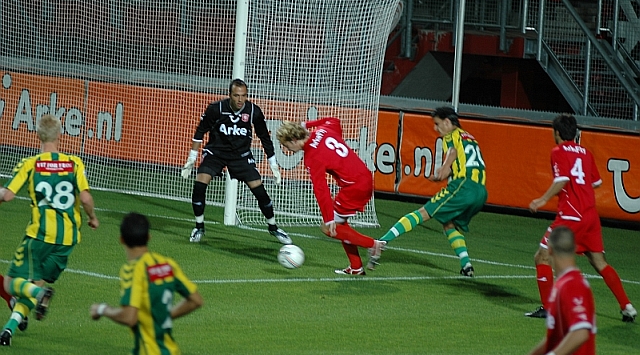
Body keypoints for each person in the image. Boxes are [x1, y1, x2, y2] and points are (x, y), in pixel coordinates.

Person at [525, 114, 636, 322]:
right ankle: (626, 306)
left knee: (542, 257)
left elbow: (563, 179)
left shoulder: (558, 151)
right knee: (599, 261)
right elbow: (595, 182)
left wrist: (542, 199)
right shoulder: (586, 152)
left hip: (570, 214)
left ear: (557, 133)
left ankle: (550, 309)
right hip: (590, 215)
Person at [0, 114, 99, 347]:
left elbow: (8, 195)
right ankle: (8, 330)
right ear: (60, 136)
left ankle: (38, 297)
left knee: (10, 283)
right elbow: (85, 198)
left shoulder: (30, 163)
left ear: (37, 135)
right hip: (67, 239)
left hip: (39, 236)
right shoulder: (74, 163)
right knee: (36, 284)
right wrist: (92, 217)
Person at [90, 212, 203, 355]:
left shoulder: (133, 270)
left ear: (121, 239)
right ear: (149, 237)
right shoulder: (166, 264)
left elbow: (130, 317)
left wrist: (102, 310)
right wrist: (165, 315)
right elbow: (196, 300)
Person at [377, 106, 487, 276]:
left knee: (423, 212)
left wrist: (445, 166)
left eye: (437, 124)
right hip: (480, 192)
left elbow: (452, 151)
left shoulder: (451, 136)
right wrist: (445, 173)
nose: (435, 128)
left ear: (447, 122)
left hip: (463, 186)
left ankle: (382, 242)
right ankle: (467, 266)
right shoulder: (469, 137)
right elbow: (463, 160)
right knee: (448, 223)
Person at [181, 78, 291, 245]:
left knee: (259, 190)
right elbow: (200, 131)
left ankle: (273, 227)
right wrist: (192, 157)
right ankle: (199, 226)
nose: (240, 100)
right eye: (236, 95)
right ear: (229, 95)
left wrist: (273, 163)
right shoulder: (216, 109)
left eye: (244, 95)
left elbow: (264, 138)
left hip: (241, 155)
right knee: (199, 184)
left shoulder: (253, 111)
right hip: (216, 153)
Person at [276, 118, 385, 275]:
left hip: (354, 187)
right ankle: (356, 267)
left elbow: (321, 190)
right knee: (341, 224)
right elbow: (334, 120)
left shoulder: (312, 156)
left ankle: (373, 245)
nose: (288, 149)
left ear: (293, 140)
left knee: (328, 228)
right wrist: (306, 125)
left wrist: (328, 218)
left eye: (287, 145)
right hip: (363, 178)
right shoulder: (324, 131)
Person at [513, 226, 601, 355]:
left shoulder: (573, 286)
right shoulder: (562, 285)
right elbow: (557, 336)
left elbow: (581, 332)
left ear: (550, 250)